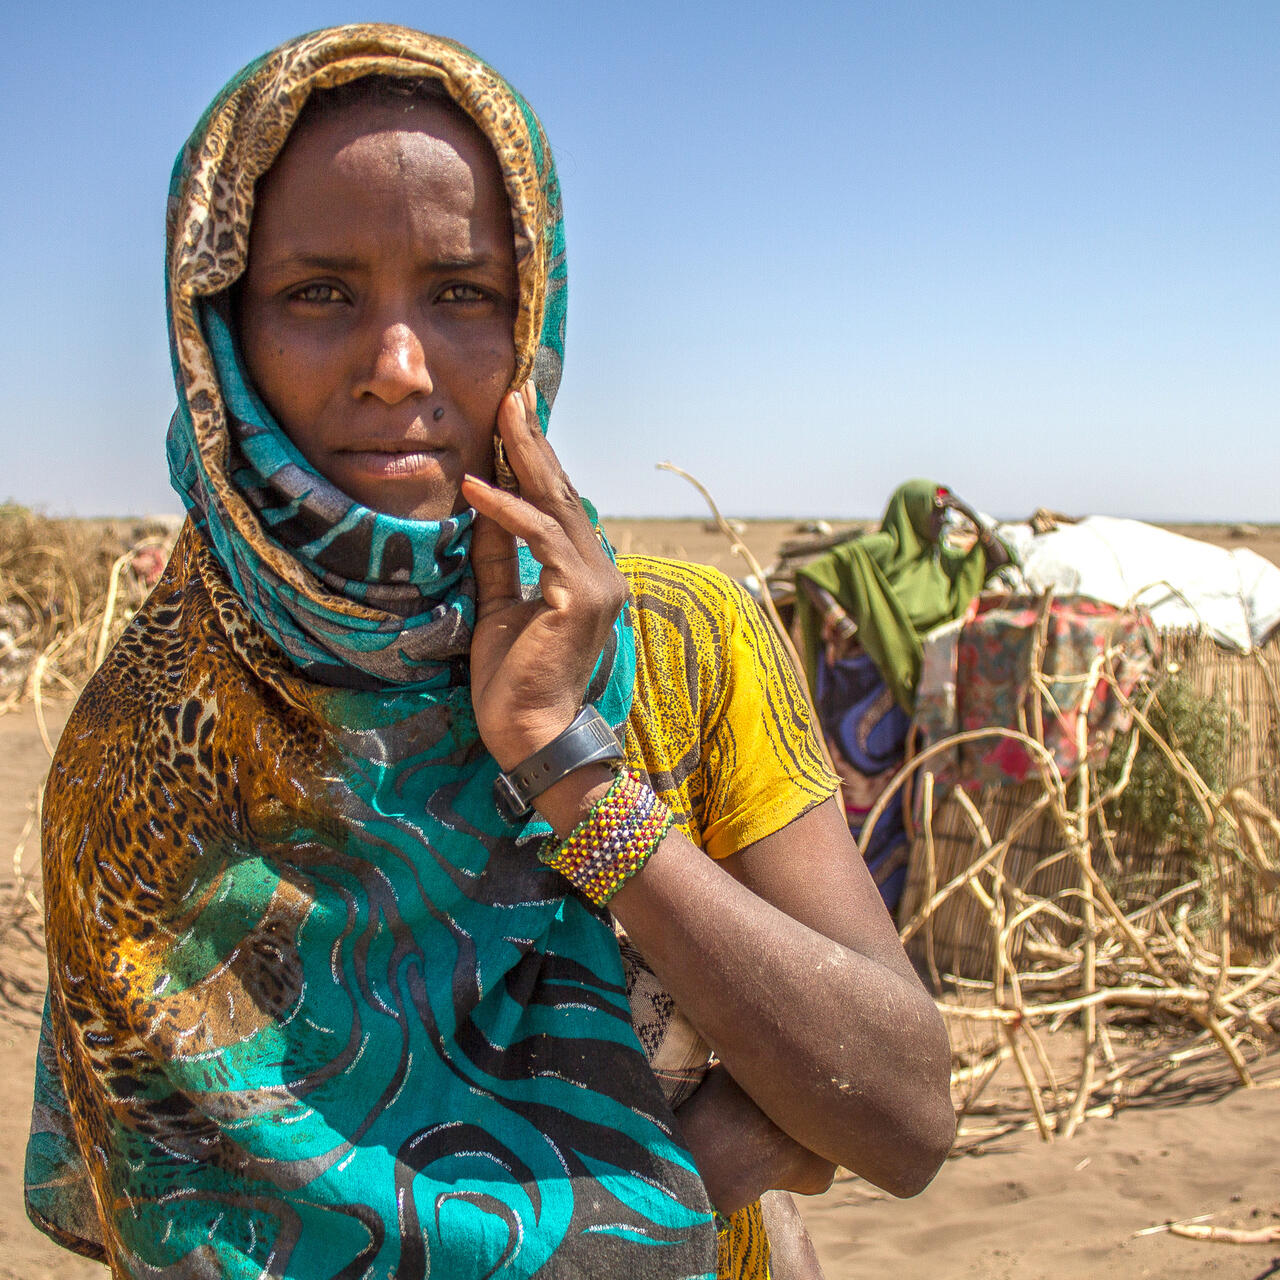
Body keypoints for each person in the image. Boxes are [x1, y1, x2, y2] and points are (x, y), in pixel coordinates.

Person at [25, 26, 953, 1280]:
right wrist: (687, 1164)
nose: (396, 368)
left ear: (531, 318)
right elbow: (173, 1220)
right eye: (319, 294)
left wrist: (563, 759)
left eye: (460, 292)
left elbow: (900, 1111)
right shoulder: (144, 744)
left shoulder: (679, 646)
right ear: (221, 335)